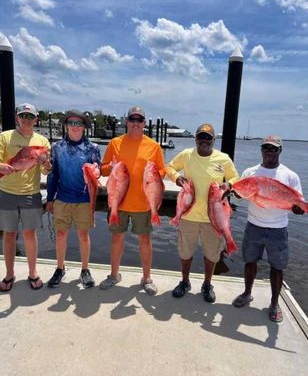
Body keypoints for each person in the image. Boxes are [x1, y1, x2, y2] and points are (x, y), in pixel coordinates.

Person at [232, 136, 305, 322]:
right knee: (250, 262)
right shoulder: (250, 172)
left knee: (277, 267)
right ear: (261, 150)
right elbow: (240, 193)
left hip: (278, 229)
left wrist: (298, 208)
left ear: (280, 151)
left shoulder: (290, 175)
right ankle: (247, 293)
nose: (269, 152)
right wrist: (232, 192)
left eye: (273, 149)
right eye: (266, 148)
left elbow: (298, 206)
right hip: (253, 225)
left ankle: (274, 304)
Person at [166, 123, 239, 302]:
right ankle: (185, 282)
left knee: (212, 255)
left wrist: (229, 185)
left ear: (214, 140)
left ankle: (207, 284)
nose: (204, 141)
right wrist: (176, 178)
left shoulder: (223, 159)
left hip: (213, 219)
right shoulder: (186, 155)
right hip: (188, 216)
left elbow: (235, 178)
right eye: (201, 137)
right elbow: (169, 167)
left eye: (208, 138)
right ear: (196, 139)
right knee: (185, 253)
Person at [99, 106, 165, 295]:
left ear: (144, 123)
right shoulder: (115, 143)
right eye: (132, 119)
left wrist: (152, 176)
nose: (136, 123)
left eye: (140, 120)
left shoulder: (154, 146)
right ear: (126, 121)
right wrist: (109, 168)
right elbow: (103, 169)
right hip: (118, 202)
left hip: (143, 202)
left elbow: (162, 171)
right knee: (116, 237)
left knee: (145, 239)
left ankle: (146, 278)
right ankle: (114, 275)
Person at [46, 110, 101, 289]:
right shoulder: (57, 147)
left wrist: (96, 170)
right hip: (62, 197)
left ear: (84, 127)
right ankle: (60, 268)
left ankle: (85, 269)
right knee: (61, 234)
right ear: (66, 125)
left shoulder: (93, 148)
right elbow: (53, 175)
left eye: (79, 123)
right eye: (72, 123)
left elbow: (97, 172)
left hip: (84, 199)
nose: (75, 126)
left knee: (83, 235)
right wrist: (50, 198)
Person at [0, 103, 51, 291]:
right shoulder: (4, 137)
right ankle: (9, 274)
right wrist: (2, 167)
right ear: (16, 118)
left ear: (36, 119)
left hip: (31, 193)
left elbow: (47, 168)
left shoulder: (42, 141)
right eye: (23, 116)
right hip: (7, 192)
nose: (26, 119)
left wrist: (46, 164)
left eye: (30, 116)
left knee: (30, 233)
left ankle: (32, 272)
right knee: (9, 234)